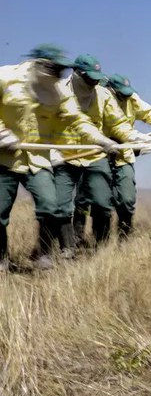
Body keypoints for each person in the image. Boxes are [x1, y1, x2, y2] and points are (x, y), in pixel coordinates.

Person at [0, 45, 119, 271]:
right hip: (4, 160)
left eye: (61, 70)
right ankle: (1, 260)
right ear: (40, 64)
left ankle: (43, 254)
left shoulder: (59, 92)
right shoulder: (5, 77)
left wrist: (101, 139)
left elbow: (78, 119)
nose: (58, 75)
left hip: (38, 159)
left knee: (50, 207)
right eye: (54, 68)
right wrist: (2, 133)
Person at [54, 54, 150, 251]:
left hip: (94, 155)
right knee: (62, 205)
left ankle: (101, 248)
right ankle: (68, 248)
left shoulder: (103, 95)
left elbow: (118, 124)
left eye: (96, 78)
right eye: (89, 78)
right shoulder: (58, 90)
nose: (93, 82)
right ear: (77, 73)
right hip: (64, 156)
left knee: (101, 203)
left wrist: (134, 137)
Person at [98, 73, 151, 237]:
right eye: (121, 94)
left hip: (124, 156)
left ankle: (124, 238)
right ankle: (100, 243)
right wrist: (135, 137)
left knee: (127, 200)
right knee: (101, 202)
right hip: (99, 155)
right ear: (111, 89)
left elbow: (147, 111)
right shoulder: (99, 98)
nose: (125, 97)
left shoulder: (131, 97)